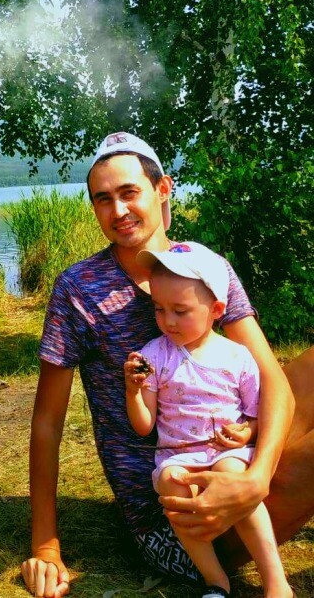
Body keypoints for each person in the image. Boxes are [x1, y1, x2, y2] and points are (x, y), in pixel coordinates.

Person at [20, 131, 313, 598]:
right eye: (102, 199)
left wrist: (256, 479)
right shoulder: (79, 289)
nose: (118, 211)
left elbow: (272, 381)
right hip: (174, 510)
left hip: (235, 465)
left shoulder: (206, 268)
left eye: (129, 193)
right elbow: (48, 422)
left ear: (162, 189)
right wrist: (46, 546)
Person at [124, 242, 292, 598]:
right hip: (178, 454)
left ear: (216, 309)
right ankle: (215, 581)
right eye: (159, 309)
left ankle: (276, 582)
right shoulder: (154, 355)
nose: (168, 321)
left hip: (226, 452)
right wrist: (133, 391)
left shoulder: (238, 357)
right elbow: (144, 425)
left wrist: (247, 430)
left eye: (180, 311)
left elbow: (255, 413)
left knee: (233, 478)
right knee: (171, 483)